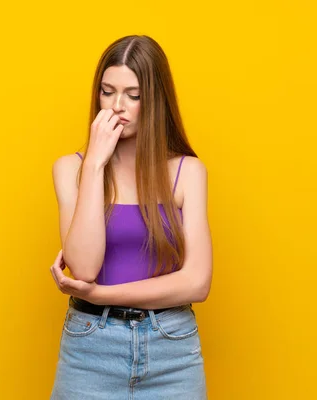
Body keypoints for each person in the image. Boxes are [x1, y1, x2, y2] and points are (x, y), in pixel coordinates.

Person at [48, 35, 213, 399]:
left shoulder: (187, 172)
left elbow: (197, 283)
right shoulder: (69, 169)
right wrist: (94, 164)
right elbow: (85, 268)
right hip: (90, 347)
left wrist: (103, 294)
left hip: (172, 349)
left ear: (155, 101)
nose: (117, 106)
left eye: (133, 96)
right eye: (107, 92)